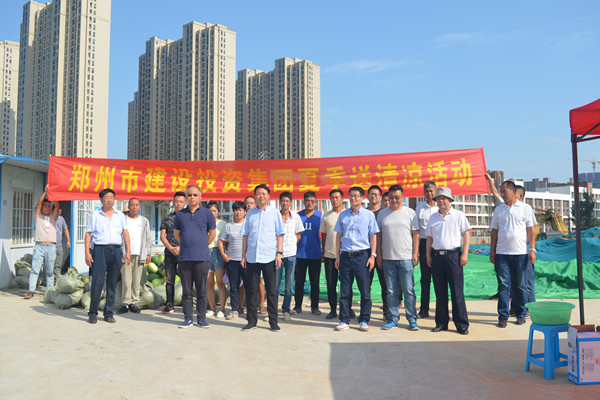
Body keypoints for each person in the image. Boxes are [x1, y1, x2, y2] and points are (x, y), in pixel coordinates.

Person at [490, 180, 536, 328]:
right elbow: (494, 231)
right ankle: (503, 316)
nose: (502, 194)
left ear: (513, 191)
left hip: (520, 253)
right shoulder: (499, 210)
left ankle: (521, 313)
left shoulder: (525, 208)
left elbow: (531, 229)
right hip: (502, 254)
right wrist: (492, 250)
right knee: (504, 285)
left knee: (520, 285)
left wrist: (532, 249)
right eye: (501, 191)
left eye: (504, 191)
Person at [426, 187, 471, 335]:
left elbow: (466, 234)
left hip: (453, 256)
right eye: (438, 198)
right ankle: (441, 322)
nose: (441, 201)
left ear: (450, 200)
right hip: (437, 257)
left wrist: (464, 254)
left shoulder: (458, 215)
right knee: (440, 292)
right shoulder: (433, 217)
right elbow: (429, 238)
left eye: (444, 198)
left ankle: (461, 324)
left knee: (457, 292)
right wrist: (428, 256)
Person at [334, 186, 379, 332]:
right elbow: (338, 236)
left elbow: (373, 236)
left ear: (362, 198)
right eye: (351, 196)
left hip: (362, 257)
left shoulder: (368, 215)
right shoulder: (343, 215)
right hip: (345, 256)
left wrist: (373, 256)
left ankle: (364, 319)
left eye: (356, 196)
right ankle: (344, 320)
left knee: (364, 290)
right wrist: (337, 256)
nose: (353, 198)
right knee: (345, 291)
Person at [240, 184, 284, 332]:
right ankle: (251, 321)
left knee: (271, 291)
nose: (261, 196)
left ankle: (273, 322)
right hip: (252, 257)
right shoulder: (250, 214)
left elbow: (280, 234)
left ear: (269, 196)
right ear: (255, 196)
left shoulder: (274, 213)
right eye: (258, 194)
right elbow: (245, 236)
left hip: (269, 256)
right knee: (251, 290)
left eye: (264, 194)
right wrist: (243, 256)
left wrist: (279, 253)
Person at [377, 185, 420, 331]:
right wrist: (378, 254)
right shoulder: (382, 214)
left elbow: (416, 234)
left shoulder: (410, 213)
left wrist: (415, 253)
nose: (394, 200)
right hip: (388, 258)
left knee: (408, 290)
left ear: (402, 197)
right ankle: (393, 319)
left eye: (397, 197)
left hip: (406, 258)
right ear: (387, 198)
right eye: (391, 197)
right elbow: (378, 235)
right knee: (391, 291)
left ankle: (412, 319)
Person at [85, 188, 131, 324]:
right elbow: (88, 233)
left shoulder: (120, 215)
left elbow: (125, 233)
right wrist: (87, 252)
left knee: (112, 282)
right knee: (98, 281)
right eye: (106, 197)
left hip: (116, 250)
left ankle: (108, 313)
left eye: (112, 197)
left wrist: (128, 251)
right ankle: (93, 312)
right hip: (100, 250)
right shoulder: (95, 215)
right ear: (101, 200)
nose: (109, 200)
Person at [174, 185, 216, 329]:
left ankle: (201, 319)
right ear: (186, 197)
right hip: (185, 258)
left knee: (201, 290)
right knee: (187, 291)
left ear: (200, 197)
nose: (192, 197)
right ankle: (188, 319)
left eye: (195, 195)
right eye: (190, 195)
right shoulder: (180, 215)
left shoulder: (207, 213)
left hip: (201, 258)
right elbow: (177, 234)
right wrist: (187, 245)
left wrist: (202, 244)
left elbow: (213, 233)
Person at [118, 198, 152, 314]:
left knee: (136, 281)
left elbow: (148, 238)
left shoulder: (144, 221)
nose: (134, 207)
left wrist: (148, 253)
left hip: (139, 253)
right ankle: (125, 303)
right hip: (126, 254)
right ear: (128, 206)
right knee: (126, 281)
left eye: (137, 205)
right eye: (132, 205)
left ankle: (134, 303)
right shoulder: (123, 220)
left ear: (140, 207)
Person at [26, 184, 60, 299]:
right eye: (45, 206)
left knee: (50, 272)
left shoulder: (53, 217)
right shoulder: (38, 216)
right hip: (39, 246)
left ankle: (49, 293)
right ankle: (31, 291)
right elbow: (39, 203)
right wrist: (45, 192)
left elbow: (57, 205)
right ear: (41, 208)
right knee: (35, 270)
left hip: (51, 247)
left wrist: (51, 194)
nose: (47, 208)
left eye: (49, 206)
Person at [320, 189, 349, 319]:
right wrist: (323, 251)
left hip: (345, 254)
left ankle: (347, 309)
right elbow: (324, 235)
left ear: (342, 199)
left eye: (337, 197)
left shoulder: (348, 214)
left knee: (346, 284)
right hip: (329, 255)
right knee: (331, 284)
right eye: (332, 198)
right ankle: (332, 310)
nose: (334, 200)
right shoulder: (326, 216)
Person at [293, 191, 323, 315]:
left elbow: (324, 235)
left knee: (315, 282)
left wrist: (323, 252)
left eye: (312, 201)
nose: (309, 203)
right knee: (299, 282)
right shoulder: (297, 216)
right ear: (303, 201)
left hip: (315, 254)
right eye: (307, 201)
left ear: (315, 202)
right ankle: (297, 306)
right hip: (299, 254)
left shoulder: (320, 216)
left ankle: (315, 307)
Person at [412, 181, 438, 319]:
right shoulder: (420, 208)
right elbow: (416, 230)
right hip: (423, 244)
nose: (429, 193)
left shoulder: (441, 206)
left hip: (438, 245)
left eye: (431, 191)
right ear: (423, 193)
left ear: (436, 191)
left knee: (439, 280)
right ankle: (424, 309)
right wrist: (416, 252)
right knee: (425, 279)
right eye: (427, 191)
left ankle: (441, 310)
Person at [219, 201, 247, 320]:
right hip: (232, 261)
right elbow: (221, 241)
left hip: (246, 261)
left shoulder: (248, 225)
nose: (238, 212)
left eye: (240, 210)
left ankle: (250, 311)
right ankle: (234, 310)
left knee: (249, 286)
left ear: (245, 212)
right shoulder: (228, 226)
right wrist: (223, 254)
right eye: (236, 210)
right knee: (233, 286)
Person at [366, 185, 391, 320]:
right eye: (371, 194)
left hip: (383, 254)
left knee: (385, 285)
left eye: (376, 194)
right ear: (367, 196)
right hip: (366, 255)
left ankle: (387, 312)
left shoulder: (385, 213)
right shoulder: (363, 213)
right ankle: (366, 313)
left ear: (380, 197)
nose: (373, 196)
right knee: (366, 285)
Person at [278, 192, 304, 321]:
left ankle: (286, 309)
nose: (285, 203)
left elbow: (298, 235)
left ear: (291, 202)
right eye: (283, 201)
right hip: (277, 255)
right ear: (280, 202)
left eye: (287, 201)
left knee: (289, 284)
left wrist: (292, 245)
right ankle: (273, 309)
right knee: (275, 284)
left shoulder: (296, 217)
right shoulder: (276, 217)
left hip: (291, 255)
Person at [160, 191, 187, 314]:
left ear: (185, 203)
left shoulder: (188, 218)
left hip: (185, 252)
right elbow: (162, 236)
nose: (178, 204)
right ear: (173, 202)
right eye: (176, 202)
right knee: (169, 280)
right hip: (169, 253)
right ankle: (169, 304)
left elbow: (190, 235)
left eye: (181, 202)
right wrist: (171, 248)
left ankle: (187, 304)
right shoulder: (167, 218)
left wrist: (181, 247)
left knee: (186, 279)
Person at [245, 194, 265, 313]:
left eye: (251, 203)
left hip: (259, 254)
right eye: (247, 203)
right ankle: (248, 306)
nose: (249, 205)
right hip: (247, 255)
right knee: (247, 282)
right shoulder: (245, 217)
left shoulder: (259, 216)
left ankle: (261, 304)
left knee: (259, 281)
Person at [206, 201, 227, 318]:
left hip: (218, 253)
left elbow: (226, 240)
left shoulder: (223, 224)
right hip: (206, 253)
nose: (212, 213)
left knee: (220, 282)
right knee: (209, 283)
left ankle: (222, 309)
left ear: (218, 212)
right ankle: (212, 309)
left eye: (214, 211)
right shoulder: (203, 223)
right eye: (210, 211)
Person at [53, 208, 70, 283]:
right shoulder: (50, 218)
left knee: (58, 264)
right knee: (50, 264)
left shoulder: (61, 219)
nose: (59, 213)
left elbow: (65, 229)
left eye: (60, 212)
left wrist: (68, 240)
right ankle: (46, 281)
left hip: (59, 245)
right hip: (51, 245)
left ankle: (56, 280)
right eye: (58, 212)